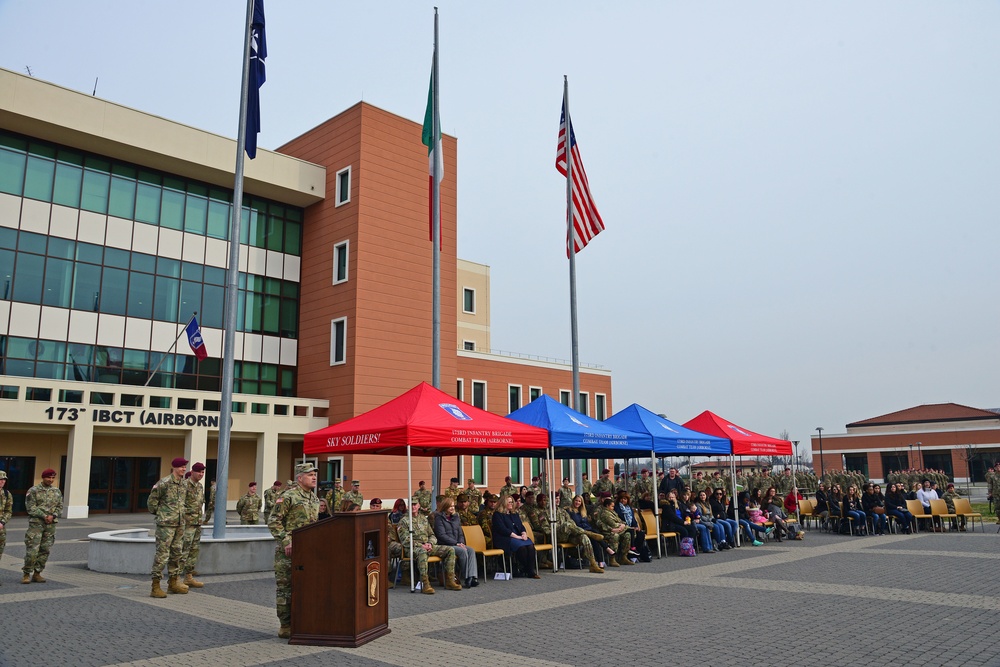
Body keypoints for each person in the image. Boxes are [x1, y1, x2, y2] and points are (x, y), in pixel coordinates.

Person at [268, 462, 320, 639]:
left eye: (314, 474)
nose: (314, 477)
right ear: (299, 478)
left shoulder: (314, 499)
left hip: (309, 551)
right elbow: (273, 521)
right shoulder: (288, 496)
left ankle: (305, 621)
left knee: (307, 588)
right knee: (286, 589)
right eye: (309, 474)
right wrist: (286, 541)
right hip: (288, 551)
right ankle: (286, 625)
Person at [147, 457, 189, 597]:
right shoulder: (164, 483)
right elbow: (152, 502)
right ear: (175, 468)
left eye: (185, 467)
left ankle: (173, 583)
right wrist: (161, 515)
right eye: (182, 467)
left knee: (177, 553)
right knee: (162, 555)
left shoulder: (184, 484)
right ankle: (155, 586)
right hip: (166, 525)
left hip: (179, 524)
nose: (184, 469)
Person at [398, 499, 460, 593]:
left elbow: (432, 535)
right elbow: (405, 540)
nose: (413, 507)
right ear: (408, 507)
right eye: (411, 505)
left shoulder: (423, 519)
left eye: (415, 504)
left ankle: (450, 580)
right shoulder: (404, 521)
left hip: (428, 546)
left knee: (450, 550)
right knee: (422, 552)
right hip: (413, 548)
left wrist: (430, 543)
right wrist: (422, 545)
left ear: (419, 506)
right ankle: (425, 583)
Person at [491, 494, 539, 578]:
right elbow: (502, 529)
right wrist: (517, 536)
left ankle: (530, 570)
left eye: (512, 502)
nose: (511, 504)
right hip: (505, 538)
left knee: (530, 546)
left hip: (518, 536)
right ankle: (528, 570)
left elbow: (521, 526)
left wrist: (524, 533)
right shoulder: (497, 515)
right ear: (504, 503)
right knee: (522, 548)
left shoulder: (514, 514)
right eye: (509, 502)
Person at [433, 497, 478, 587]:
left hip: (457, 543)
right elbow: (441, 535)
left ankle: (472, 577)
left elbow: (460, 533)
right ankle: (466, 577)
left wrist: (461, 542)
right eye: (450, 506)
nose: (452, 508)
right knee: (462, 551)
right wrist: (456, 543)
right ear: (445, 507)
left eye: (453, 506)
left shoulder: (456, 517)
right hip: (446, 545)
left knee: (471, 550)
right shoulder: (439, 519)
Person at [180, 462, 207, 589]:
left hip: (197, 523)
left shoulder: (200, 486)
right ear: (193, 472)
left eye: (203, 472)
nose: (201, 474)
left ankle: (188, 577)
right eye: (199, 472)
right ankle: (176, 579)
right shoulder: (184, 485)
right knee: (183, 550)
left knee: (193, 551)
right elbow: (179, 505)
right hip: (186, 524)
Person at [596, 496, 634, 566]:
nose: (613, 508)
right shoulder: (605, 513)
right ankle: (612, 558)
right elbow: (613, 524)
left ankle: (624, 556)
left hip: (618, 530)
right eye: (612, 506)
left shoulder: (612, 512)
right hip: (607, 532)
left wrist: (622, 525)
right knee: (615, 536)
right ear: (607, 506)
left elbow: (620, 520)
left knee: (627, 535)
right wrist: (622, 525)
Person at [615, 492, 651, 561]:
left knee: (641, 534)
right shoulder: (617, 508)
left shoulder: (629, 508)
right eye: (621, 499)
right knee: (630, 533)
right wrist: (630, 527)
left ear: (627, 500)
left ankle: (636, 552)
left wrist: (636, 526)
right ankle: (632, 551)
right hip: (623, 527)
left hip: (631, 527)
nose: (623, 500)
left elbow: (633, 519)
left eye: (625, 499)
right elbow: (618, 520)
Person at [0, 470, 12, 575]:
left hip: (1, 529)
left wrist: (2, 522)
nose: (2, 481)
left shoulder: (7, 494)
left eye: (4, 479)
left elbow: (8, 511)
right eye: (0, 479)